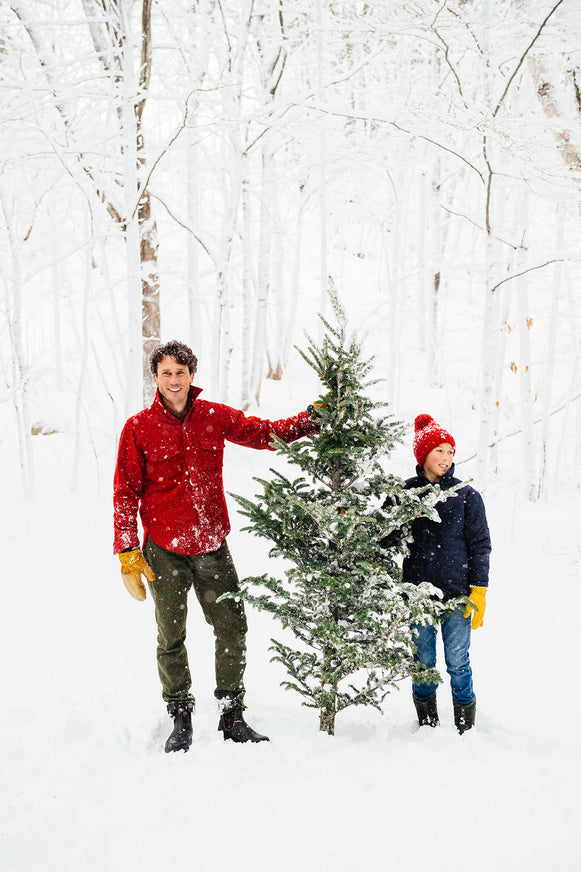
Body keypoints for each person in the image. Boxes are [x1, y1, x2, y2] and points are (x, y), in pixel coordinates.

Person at [113, 340, 320, 752]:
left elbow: (265, 434)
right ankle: (180, 714)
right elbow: (125, 491)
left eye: (181, 372)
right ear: (155, 378)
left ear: (192, 376)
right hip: (164, 548)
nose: (174, 380)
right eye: (166, 373)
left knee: (232, 627)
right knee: (171, 634)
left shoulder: (212, 416)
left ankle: (231, 713)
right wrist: (127, 551)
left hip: (211, 544)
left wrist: (312, 419)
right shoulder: (138, 428)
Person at [402, 413, 491, 734]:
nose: (446, 457)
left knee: (457, 661)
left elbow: (480, 546)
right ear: (423, 454)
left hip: (457, 595)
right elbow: (383, 535)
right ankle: (426, 722)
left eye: (450, 451)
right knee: (423, 661)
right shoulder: (406, 494)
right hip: (418, 595)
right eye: (439, 450)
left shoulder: (467, 495)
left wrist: (478, 590)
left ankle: (465, 723)